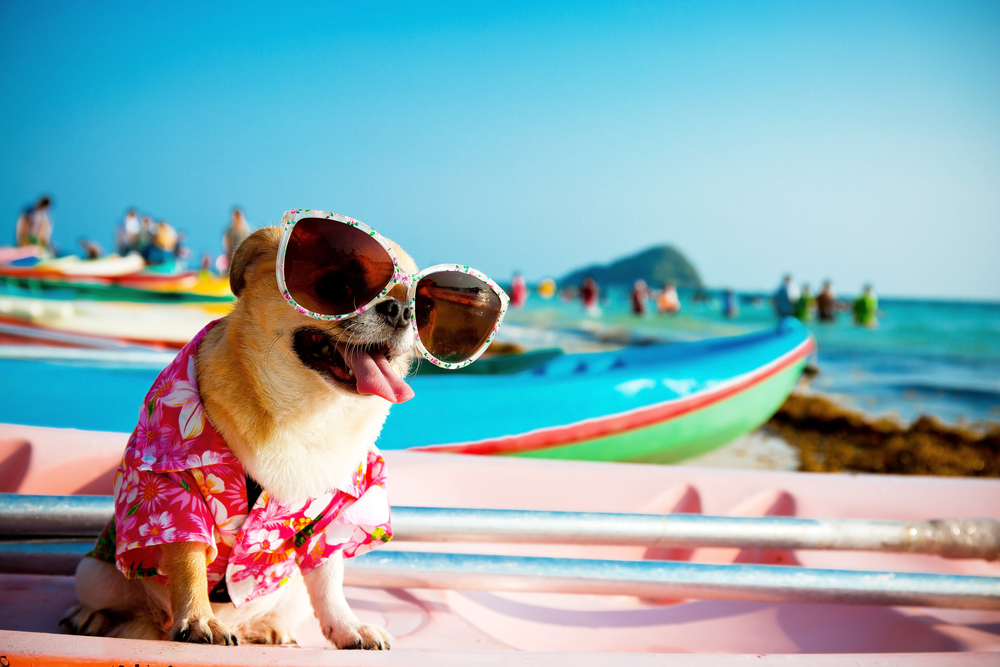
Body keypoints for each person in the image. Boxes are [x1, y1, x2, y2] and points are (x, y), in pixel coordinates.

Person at [222, 207, 251, 275]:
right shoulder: (229, 231)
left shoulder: (246, 231)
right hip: (231, 257)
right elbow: (227, 244)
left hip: (243, 258)